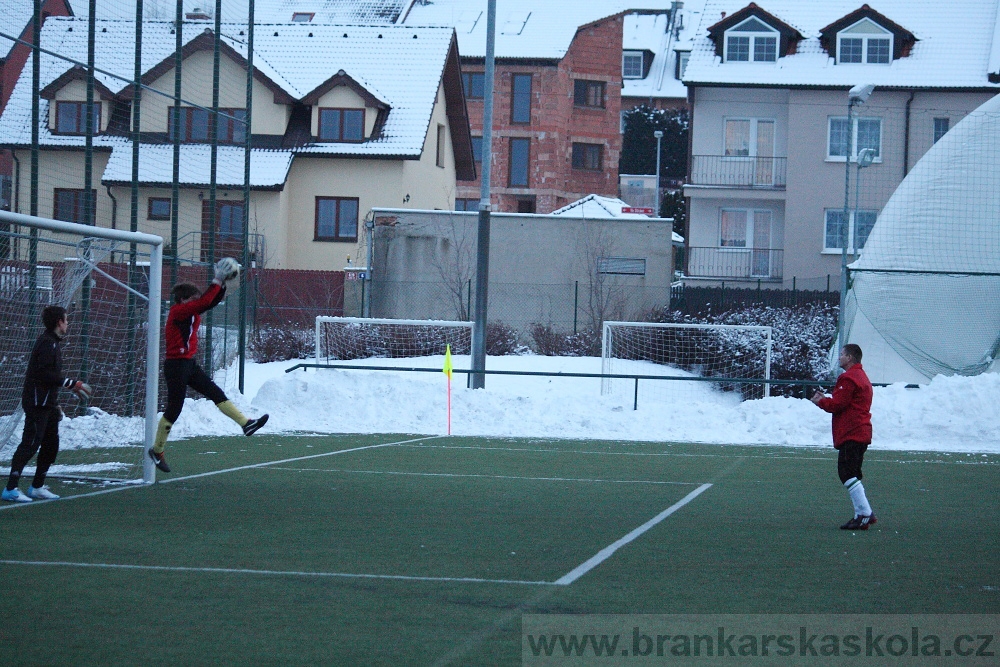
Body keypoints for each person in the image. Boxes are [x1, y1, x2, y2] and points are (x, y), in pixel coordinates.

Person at [148, 259, 268, 474]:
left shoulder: (189, 310)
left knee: (215, 392)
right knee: (174, 409)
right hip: (176, 365)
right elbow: (204, 302)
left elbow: (208, 302)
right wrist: (217, 280)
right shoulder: (178, 311)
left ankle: (245, 423)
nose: (197, 302)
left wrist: (221, 286)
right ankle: (157, 450)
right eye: (193, 299)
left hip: (188, 364)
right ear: (184, 300)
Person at [3, 305, 92, 503]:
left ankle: (37, 486)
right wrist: (71, 384)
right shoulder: (46, 343)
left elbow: (49, 378)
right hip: (36, 403)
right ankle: (11, 488)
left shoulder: (53, 343)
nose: (68, 323)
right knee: (31, 443)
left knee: (51, 444)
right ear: (59, 322)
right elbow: (43, 374)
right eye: (66, 320)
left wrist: (55, 401)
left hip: (47, 403)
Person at [811, 343, 877, 530]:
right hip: (860, 431)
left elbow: (837, 404)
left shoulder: (849, 378)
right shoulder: (861, 376)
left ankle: (865, 513)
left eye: (842, 354)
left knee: (846, 472)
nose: (839, 357)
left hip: (852, 432)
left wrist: (820, 401)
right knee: (852, 473)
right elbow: (845, 402)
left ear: (849, 357)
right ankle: (861, 514)